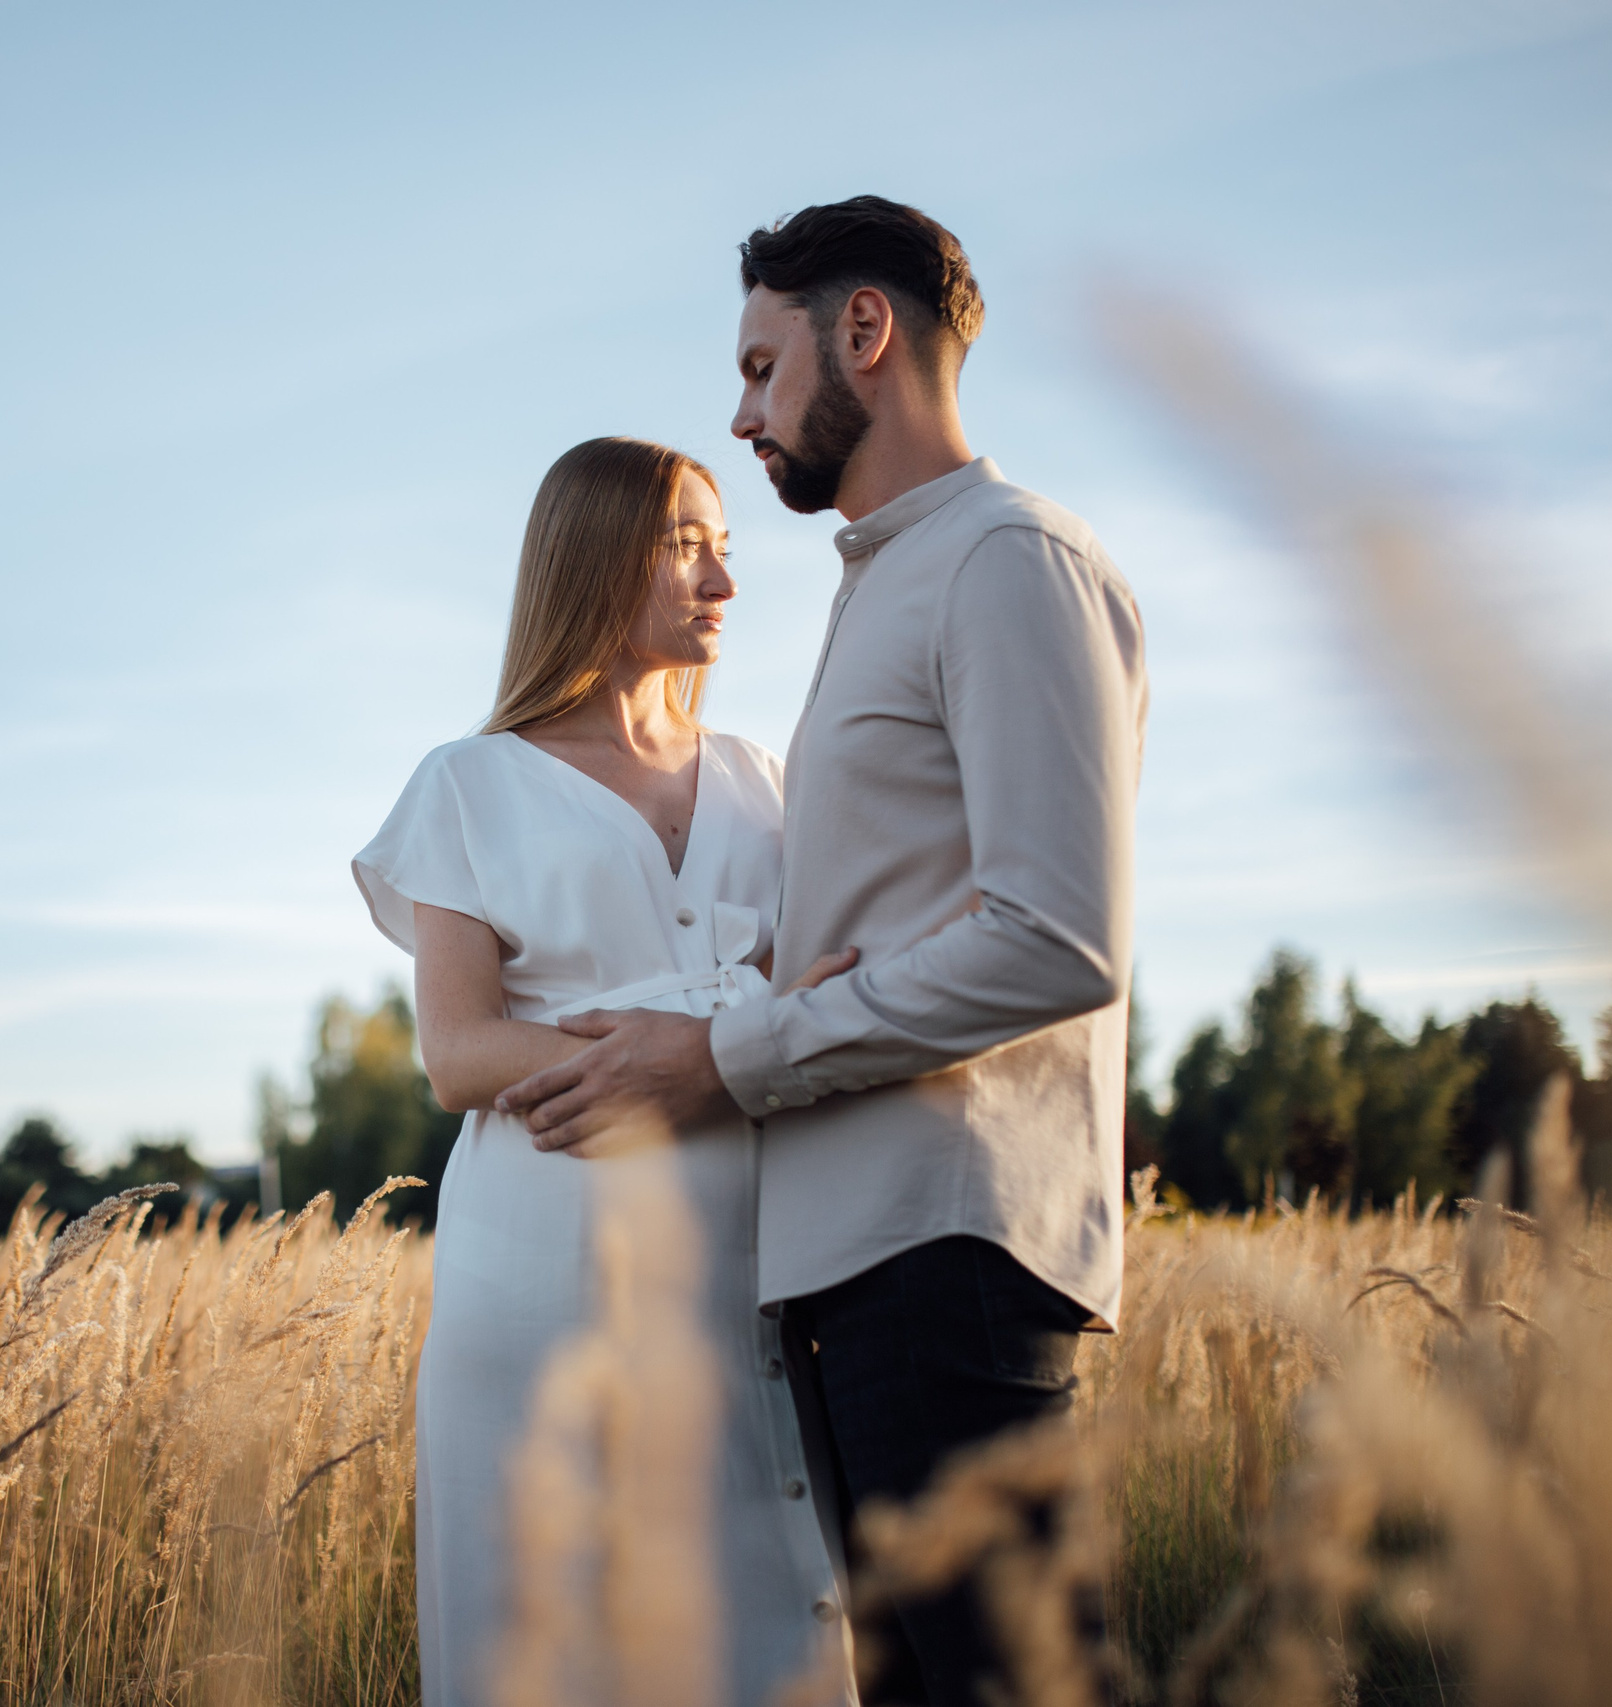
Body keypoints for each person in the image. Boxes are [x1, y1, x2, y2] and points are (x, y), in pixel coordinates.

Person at [498, 197, 1149, 1706]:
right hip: (854, 1254)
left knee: (1022, 1681)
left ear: (863, 331)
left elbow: (1056, 936)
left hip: (949, 1242)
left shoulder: (1008, 560)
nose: (743, 413)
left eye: (760, 365)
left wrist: (722, 1056)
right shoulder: (891, 584)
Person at [353, 436, 859, 1707]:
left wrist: (720, 1045)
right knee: (554, 1623)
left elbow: (834, 989)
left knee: (759, 1605)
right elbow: (459, 1050)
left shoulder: (765, 781)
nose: (721, 583)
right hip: (539, 1264)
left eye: (725, 548)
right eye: (686, 544)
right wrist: (710, 1040)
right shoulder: (470, 785)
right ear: (593, 558)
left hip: (751, 1259)